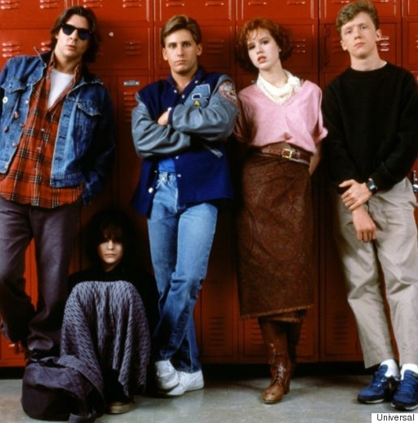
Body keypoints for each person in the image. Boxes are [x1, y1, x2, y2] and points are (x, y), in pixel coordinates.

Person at [0, 6, 115, 361]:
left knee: (53, 290)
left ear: (89, 43)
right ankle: (22, 331)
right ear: (56, 32)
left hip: (60, 199)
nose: (74, 37)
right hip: (9, 190)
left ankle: (43, 353)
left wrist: (85, 192)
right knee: (2, 275)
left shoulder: (95, 93)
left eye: (83, 33)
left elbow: (105, 153)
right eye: (68, 29)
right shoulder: (18, 69)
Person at [131, 14, 239, 396]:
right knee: (165, 285)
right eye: (172, 46)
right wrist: (195, 136)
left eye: (186, 44)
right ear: (164, 52)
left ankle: (158, 355)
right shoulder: (148, 95)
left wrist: (174, 117)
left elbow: (222, 124)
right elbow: (143, 142)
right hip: (159, 191)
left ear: (198, 48)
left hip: (202, 193)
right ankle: (189, 368)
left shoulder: (219, 84)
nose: (180, 52)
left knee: (188, 278)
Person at [322, 0, 418, 411]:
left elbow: (408, 142)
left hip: (392, 192)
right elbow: (335, 149)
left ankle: (412, 369)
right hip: (349, 198)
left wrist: (374, 186)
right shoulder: (335, 91)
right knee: (360, 285)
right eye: (348, 31)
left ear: (378, 34)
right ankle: (386, 367)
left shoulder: (403, 83)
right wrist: (358, 203)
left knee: (404, 280)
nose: (356, 35)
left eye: (363, 27)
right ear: (342, 43)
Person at [234, 18, 327, 404]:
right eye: (251, 46)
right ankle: (280, 368)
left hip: (297, 184)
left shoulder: (311, 92)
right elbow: (240, 146)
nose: (258, 50)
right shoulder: (244, 98)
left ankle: (290, 359)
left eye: (265, 42)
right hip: (258, 186)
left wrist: (301, 178)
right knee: (264, 275)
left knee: (294, 273)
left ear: (279, 45)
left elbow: (318, 144)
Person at [62, 208, 158, 415]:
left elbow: (148, 329)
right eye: (104, 240)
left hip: (126, 358)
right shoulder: (77, 282)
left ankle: (119, 385)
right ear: (94, 244)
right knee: (80, 291)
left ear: (127, 244)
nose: (111, 247)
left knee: (124, 290)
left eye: (117, 241)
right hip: (89, 355)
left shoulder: (142, 281)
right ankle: (86, 381)